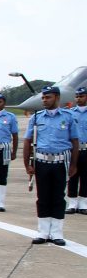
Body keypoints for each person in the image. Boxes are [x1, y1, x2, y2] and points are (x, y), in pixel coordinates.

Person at [25, 85, 78, 246]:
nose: (44, 100)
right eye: (43, 98)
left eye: (47, 97)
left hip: (60, 162)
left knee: (58, 197)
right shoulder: (36, 118)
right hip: (42, 162)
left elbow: (74, 142)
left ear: (56, 97)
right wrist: (27, 164)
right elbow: (28, 141)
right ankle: (43, 231)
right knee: (43, 197)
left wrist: (74, 164)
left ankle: (56, 233)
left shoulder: (68, 117)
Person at [66, 85, 87, 214]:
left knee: (86, 177)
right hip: (73, 149)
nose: (78, 99)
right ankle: (72, 203)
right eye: (77, 96)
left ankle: (83, 203)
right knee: (72, 175)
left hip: (86, 149)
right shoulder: (70, 113)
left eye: (81, 96)